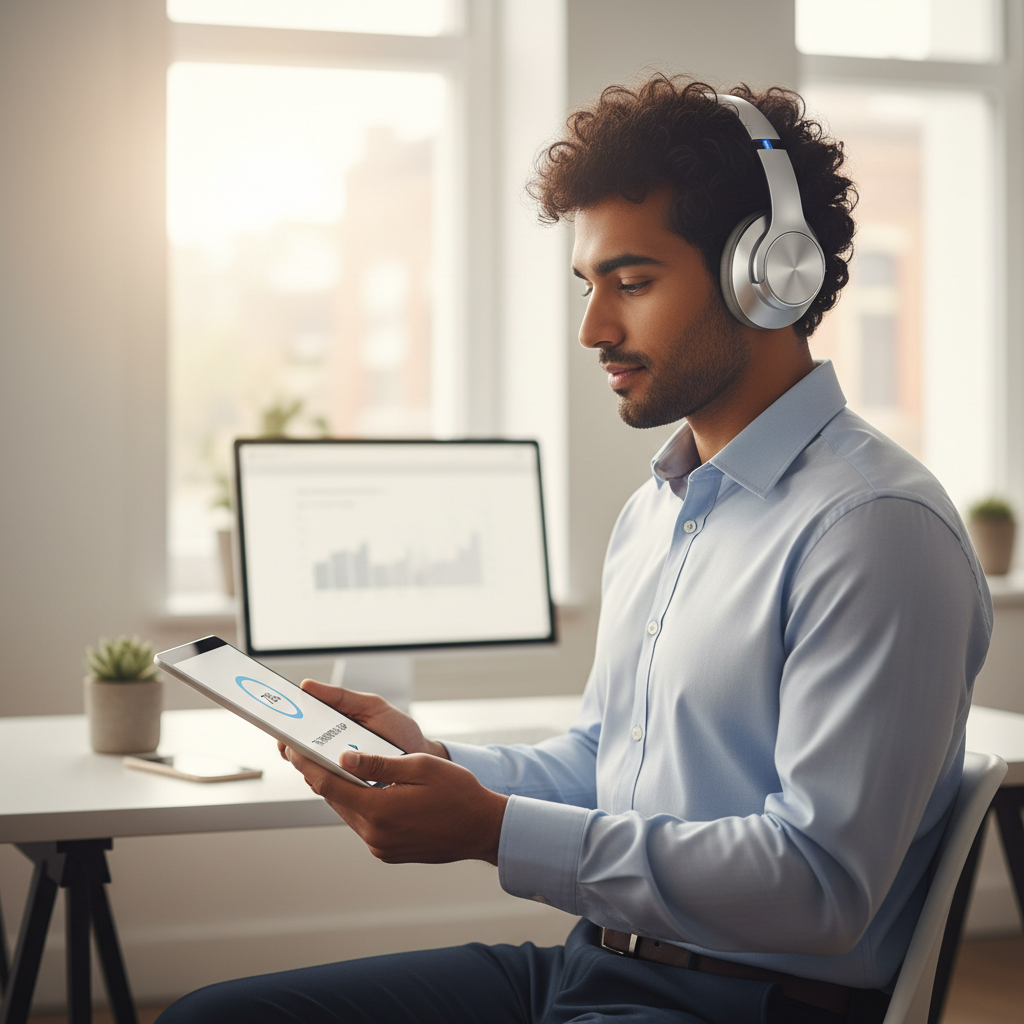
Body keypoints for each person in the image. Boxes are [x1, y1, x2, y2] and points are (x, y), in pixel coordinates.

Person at [158, 76, 991, 1024]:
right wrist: (443, 765)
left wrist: (496, 832)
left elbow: (817, 886)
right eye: (589, 286)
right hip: (592, 965)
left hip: (737, 1005)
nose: (594, 329)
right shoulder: (661, 507)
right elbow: (606, 759)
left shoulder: (875, 530)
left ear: (768, 276)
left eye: (631, 283)